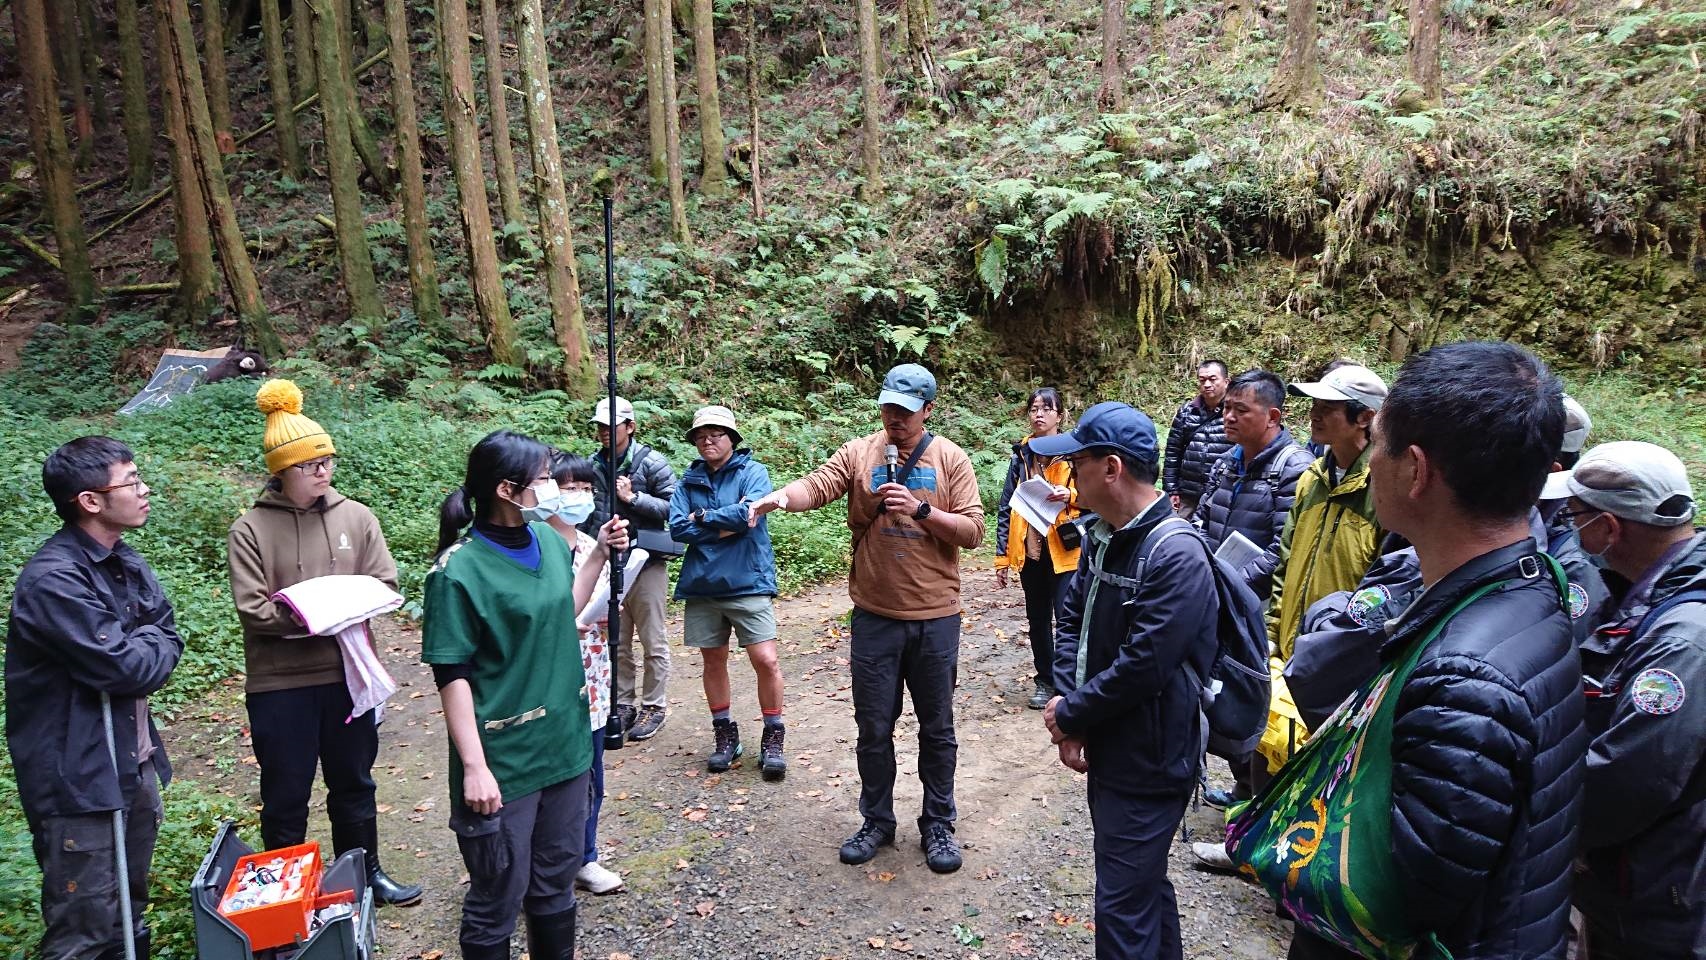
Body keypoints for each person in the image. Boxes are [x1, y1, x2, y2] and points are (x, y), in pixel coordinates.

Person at [1285, 340, 1585, 960]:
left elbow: (1400, 896)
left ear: (1416, 471)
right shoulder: (1529, 587)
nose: (1372, 463)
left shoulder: (1463, 677)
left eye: (1380, 446)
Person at [748, 363, 985, 873]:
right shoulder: (859, 452)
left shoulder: (951, 458)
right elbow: (818, 484)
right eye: (888, 406)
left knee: (937, 728)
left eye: (906, 409)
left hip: (936, 618)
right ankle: (877, 820)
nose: (894, 416)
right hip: (875, 617)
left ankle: (938, 823)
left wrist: (922, 511)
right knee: (873, 727)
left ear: (928, 409)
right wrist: (780, 498)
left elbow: (973, 532)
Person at [424, 430, 628, 960]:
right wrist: (474, 767)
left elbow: (562, 609)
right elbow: (452, 674)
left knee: (554, 883)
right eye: (545, 479)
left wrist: (599, 553)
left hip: (564, 747)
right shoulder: (457, 571)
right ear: (507, 490)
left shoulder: (550, 542)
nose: (556, 488)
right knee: (498, 895)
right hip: (504, 760)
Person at [225, 380, 422, 905]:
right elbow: (254, 611)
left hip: (347, 676)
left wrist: (321, 607)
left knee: (354, 783)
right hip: (279, 684)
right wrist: (322, 613)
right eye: (309, 465)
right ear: (282, 471)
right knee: (285, 792)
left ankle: (365, 874)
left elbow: (384, 585)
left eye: (326, 461)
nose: (322, 471)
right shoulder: (249, 530)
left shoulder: (356, 517)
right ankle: (284, 895)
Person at [1033, 403, 1219, 960]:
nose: (1070, 475)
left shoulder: (1176, 553)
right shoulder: (1104, 534)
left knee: (1121, 905)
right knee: (1139, 886)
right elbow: (1073, 618)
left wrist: (1071, 713)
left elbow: (1144, 666)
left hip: (1153, 756)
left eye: (1077, 463)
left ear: (1111, 468)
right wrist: (1069, 701)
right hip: (1115, 740)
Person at [6, 437, 184, 960]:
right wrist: (147, 644)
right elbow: (128, 667)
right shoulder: (53, 581)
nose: (144, 489)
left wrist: (146, 644)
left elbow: (167, 633)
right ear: (89, 500)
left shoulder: (121, 559)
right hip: (81, 782)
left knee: (128, 911)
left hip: (131, 764)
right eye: (131, 481)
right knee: (85, 930)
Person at [1547, 441, 1705, 958]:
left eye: (1574, 516)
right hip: (1637, 883)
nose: (1570, 529)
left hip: (1662, 897)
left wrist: (1543, 828)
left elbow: (1631, 776)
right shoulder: (1650, 595)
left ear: (1609, 528)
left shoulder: (1684, 639)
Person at [1192, 368, 1312, 807]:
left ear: (1273, 416)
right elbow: (1202, 518)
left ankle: (1264, 796)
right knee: (1224, 689)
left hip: (1259, 605)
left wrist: (1229, 584)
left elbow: (1285, 548)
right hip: (1221, 595)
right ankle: (1244, 786)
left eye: (1240, 410)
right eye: (1226, 408)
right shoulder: (1227, 461)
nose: (1228, 417)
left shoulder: (1294, 469)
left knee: (1256, 693)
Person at [667, 406, 788, 779]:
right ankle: (725, 735)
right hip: (703, 583)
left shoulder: (753, 472)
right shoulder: (689, 480)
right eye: (701, 436)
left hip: (748, 579)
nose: (708, 441)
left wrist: (703, 518)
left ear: (731, 438)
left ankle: (773, 735)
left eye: (716, 434)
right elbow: (676, 528)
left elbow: (748, 514)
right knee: (713, 660)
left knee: (766, 659)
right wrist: (725, 526)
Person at [543, 451, 625, 896]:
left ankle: (585, 857)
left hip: (594, 677)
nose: (579, 496)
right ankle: (546, 863)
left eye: (587, 488)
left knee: (592, 775)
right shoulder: (536, 546)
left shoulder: (594, 545)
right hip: (550, 684)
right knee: (555, 778)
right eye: (569, 487)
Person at [585, 396, 679, 742]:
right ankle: (623, 702)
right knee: (617, 639)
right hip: (607, 563)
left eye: (611, 426)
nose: (604, 432)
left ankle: (654, 705)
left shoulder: (652, 463)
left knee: (653, 638)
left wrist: (633, 499)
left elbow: (675, 507)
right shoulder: (592, 465)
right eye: (600, 426)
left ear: (630, 426)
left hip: (647, 562)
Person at [993, 387, 1081, 710]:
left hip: (1066, 552)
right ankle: (1045, 679)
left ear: (1060, 415)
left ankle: (1068, 683)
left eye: (1046, 409)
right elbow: (1006, 506)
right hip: (1031, 551)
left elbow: (1094, 497)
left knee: (1067, 618)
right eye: (1034, 409)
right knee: (1038, 620)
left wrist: (1070, 496)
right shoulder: (1022, 455)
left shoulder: (1074, 453)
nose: (1039, 414)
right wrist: (1002, 557)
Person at [1162, 359, 1233, 516]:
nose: (1207, 384)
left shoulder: (1234, 413)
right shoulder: (1187, 412)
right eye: (1202, 380)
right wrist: (1171, 489)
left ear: (1226, 382)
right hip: (1187, 494)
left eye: (1212, 379)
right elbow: (1173, 452)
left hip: (1221, 495)